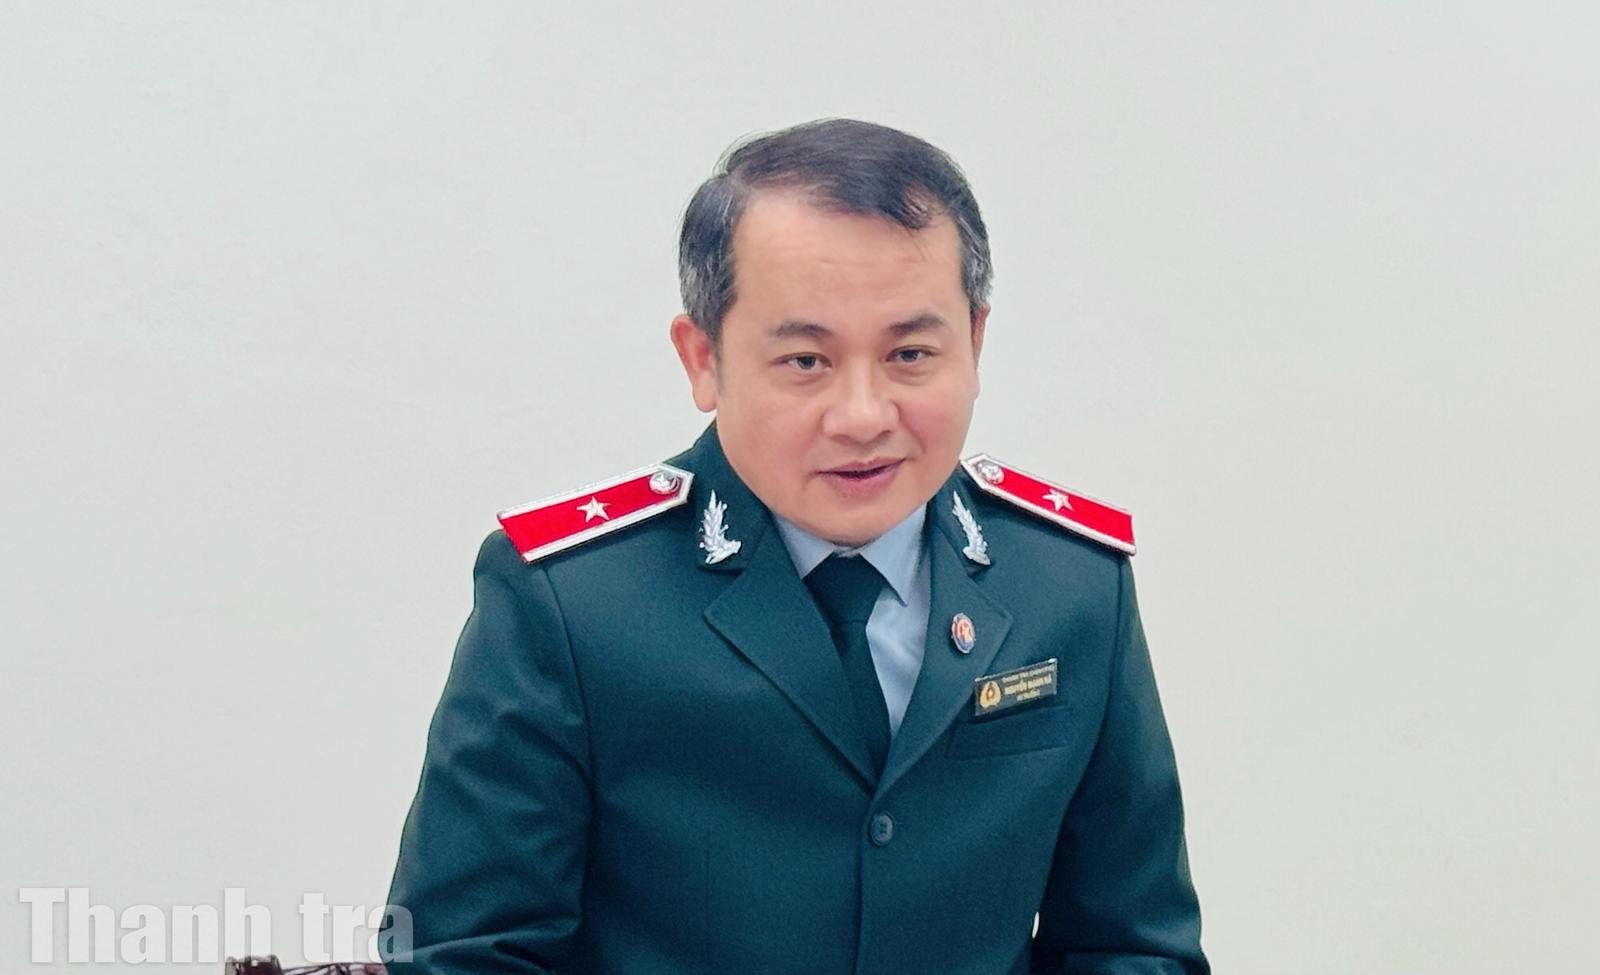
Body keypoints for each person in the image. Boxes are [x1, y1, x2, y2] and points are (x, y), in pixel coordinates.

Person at [381, 118, 1208, 975]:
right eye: (807, 361)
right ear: (703, 359)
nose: (863, 415)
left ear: (975, 342)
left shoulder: (1070, 584)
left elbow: (1132, 943)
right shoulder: (573, 604)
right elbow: (465, 953)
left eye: (911, 353)